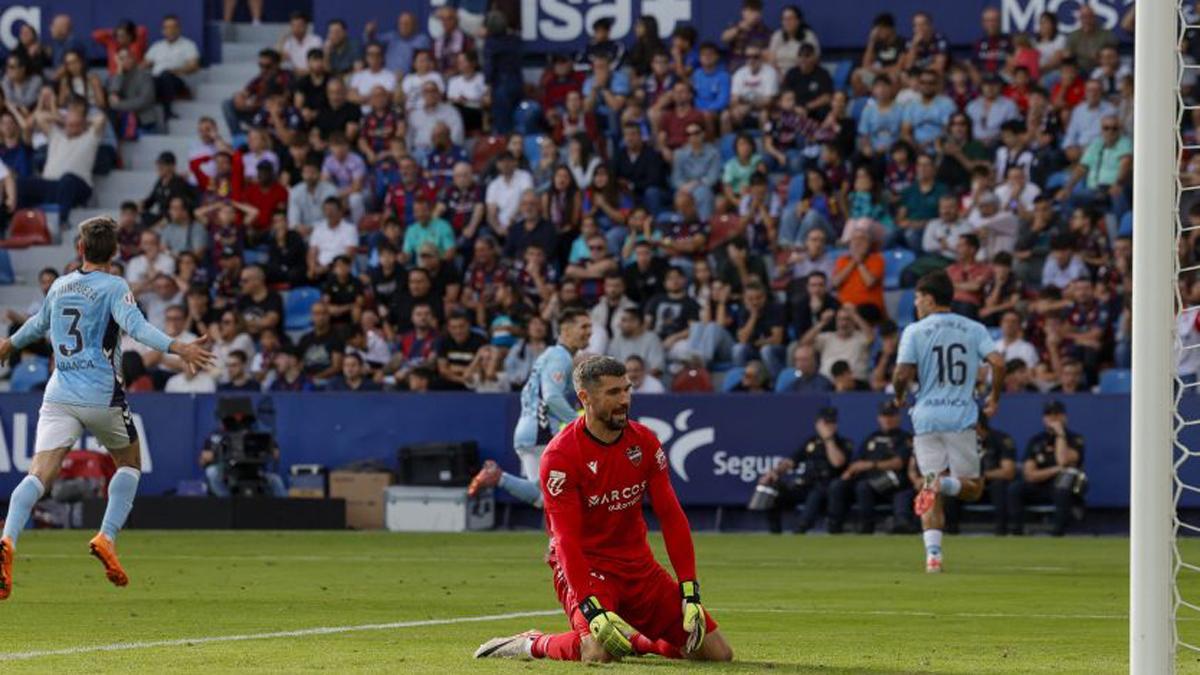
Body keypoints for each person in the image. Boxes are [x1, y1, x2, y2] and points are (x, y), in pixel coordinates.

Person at [0, 217, 215, 600]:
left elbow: (37, 325)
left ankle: (8, 539)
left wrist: (9, 344)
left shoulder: (62, 284)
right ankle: (106, 536)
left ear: (80, 249)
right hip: (101, 395)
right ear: (115, 253)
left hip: (59, 394)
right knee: (130, 463)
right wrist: (178, 346)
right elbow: (137, 327)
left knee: (38, 474)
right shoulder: (115, 286)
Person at [475, 355, 732, 663]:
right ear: (585, 397)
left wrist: (689, 589)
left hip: (639, 568)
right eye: (613, 393)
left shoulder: (645, 442)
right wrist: (589, 606)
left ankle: (635, 641)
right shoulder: (561, 456)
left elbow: (671, 516)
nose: (624, 400)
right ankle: (533, 643)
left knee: (715, 653)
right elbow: (566, 540)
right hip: (588, 567)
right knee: (598, 653)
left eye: (627, 390)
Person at [892, 270, 1005, 573]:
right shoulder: (973, 328)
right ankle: (943, 483)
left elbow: (902, 373)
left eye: (917, 298)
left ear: (929, 298)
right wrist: (994, 398)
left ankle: (933, 557)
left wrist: (899, 396)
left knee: (930, 485)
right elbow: (997, 362)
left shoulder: (915, 331)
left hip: (926, 417)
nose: (915, 304)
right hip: (959, 416)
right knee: (972, 488)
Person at [468, 308, 592, 507]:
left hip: (528, 430)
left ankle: (497, 477)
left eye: (591, 327)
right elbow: (551, 397)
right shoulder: (559, 357)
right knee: (570, 490)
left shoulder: (551, 355)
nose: (589, 332)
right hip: (541, 431)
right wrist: (579, 425)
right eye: (584, 326)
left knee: (544, 497)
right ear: (566, 329)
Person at [758, 406, 852, 533]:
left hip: (827, 487)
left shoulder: (843, 442)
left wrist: (829, 440)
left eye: (832, 422)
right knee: (774, 490)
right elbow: (791, 461)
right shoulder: (811, 442)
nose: (828, 426)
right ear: (818, 424)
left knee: (817, 492)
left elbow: (837, 463)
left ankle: (802, 527)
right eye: (825, 423)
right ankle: (775, 533)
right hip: (806, 484)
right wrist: (774, 472)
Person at [827, 401, 915, 534]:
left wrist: (871, 465)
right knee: (838, 485)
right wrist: (849, 472)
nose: (887, 420)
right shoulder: (872, 438)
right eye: (884, 416)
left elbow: (899, 463)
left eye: (891, 416)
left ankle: (866, 526)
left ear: (898, 417)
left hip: (893, 481)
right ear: (879, 418)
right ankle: (834, 527)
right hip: (868, 478)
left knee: (864, 486)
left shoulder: (905, 438)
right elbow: (857, 461)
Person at [1006, 400, 1086, 536]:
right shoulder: (1036, 440)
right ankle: (1016, 531)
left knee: (1063, 486)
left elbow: (1063, 459)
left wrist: (1060, 434)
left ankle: (1057, 533)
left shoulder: (1075, 439)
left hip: (1064, 488)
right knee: (1015, 489)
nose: (1053, 418)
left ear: (1064, 417)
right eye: (1049, 415)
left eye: (1057, 414)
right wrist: (1056, 469)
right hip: (1040, 485)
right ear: (1044, 418)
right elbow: (1029, 474)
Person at [144, 15, 200, 120]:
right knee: (146, 80)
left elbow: (194, 66)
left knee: (165, 75)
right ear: (162, 30)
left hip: (177, 79)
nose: (170, 30)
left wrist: (175, 71)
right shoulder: (157, 46)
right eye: (166, 27)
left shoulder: (188, 45)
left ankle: (167, 112)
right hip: (157, 80)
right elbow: (144, 65)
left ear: (179, 29)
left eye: (173, 27)